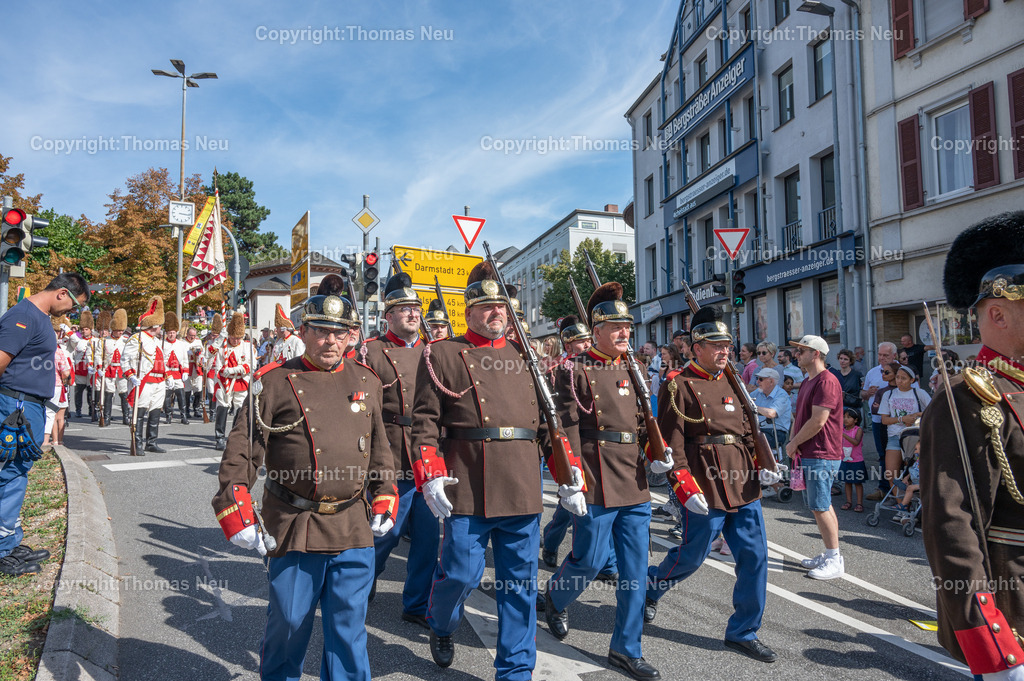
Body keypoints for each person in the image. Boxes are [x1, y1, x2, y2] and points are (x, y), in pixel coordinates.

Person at [212, 293, 398, 681]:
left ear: (352, 336)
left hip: (352, 523)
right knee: (289, 624)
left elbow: (379, 446)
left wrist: (384, 493)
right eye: (320, 331)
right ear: (303, 331)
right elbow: (243, 451)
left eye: (339, 332)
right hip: (296, 523)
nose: (330, 341)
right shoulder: (273, 382)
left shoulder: (367, 380)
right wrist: (236, 504)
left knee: (349, 631)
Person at [411, 262, 567, 680]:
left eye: (500, 306)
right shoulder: (441, 353)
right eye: (485, 306)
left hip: (520, 482)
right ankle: (441, 622)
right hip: (468, 481)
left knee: (519, 586)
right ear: (468, 310)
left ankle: (515, 670)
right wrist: (430, 472)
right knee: (460, 573)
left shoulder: (527, 356)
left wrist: (569, 476)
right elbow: (425, 421)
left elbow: (547, 423)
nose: (495, 312)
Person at [543, 281, 667, 681]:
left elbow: (642, 423)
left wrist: (658, 454)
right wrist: (572, 471)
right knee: (590, 559)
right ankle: (555, 598)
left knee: (634, 569)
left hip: (633, 477)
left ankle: (626, 648)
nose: (624, 332)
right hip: (596, 475)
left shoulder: (635, 367)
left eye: (627, 326)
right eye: (615, 326)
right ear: (595, 331)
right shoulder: (575, 371)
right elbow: (567, 425)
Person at [919, 211, 1024, 680]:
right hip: (1014, 607)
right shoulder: (967, 394)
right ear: (998, 313)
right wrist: (988, 638)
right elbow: (951, 524)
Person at [645, 306, 781, 664]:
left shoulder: (733, 381)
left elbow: (748, 431)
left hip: (742, 482)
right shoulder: (678, 385)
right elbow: (672, 443)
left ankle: (743, 631)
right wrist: (684, 486)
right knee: (692, 554)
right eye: (716, 345)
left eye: (727, 345)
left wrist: (763, 464)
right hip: (704, 481)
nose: (724, 351)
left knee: (755, 557)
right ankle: (652, 586)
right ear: (696, 348)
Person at [0, 273, 89, 576]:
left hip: (29, 405)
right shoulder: (23, 316)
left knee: (18, 472)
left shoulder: (37, 317)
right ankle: (1, 548)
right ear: (62, 293)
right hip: (17, 406)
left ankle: (9, 540)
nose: (71, 312)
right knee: (8, 472)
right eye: (74, 306)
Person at [362, 273, 437, 630]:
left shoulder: (435, 351)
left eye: (415, 308)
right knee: (386, 532)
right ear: (388, 317)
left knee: (427, 539)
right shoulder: (371, 350)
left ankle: (416, 604)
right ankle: (363, 578)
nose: (412, 314)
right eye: (403, 309)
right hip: (390, 451)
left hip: (427, 456)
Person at [541, 315, 617, 579]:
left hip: (601, 447)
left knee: (598, 509)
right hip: (575, 445)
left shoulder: (596, 365)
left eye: (587, 341)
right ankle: (551, 543)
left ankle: (607, 563)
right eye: (580, 343)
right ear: (568, 345)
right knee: (568, 509)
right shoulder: (560, 369)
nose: (586, 346)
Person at [786, 334, 845, 580]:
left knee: (820, 506)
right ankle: (831, 554)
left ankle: (834, 558)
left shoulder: (826, 381)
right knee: (819, 505)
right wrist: (792, 443)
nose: (796, 355)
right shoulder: (809, 381)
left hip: (821, 452)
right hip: (809, 451)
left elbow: (818, 421)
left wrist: (794, 442)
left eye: (801, 351)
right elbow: (799, 416)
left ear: (815, 354)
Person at [122, 297, 169, 455]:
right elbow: (125, 360)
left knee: (155, 411)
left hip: (159, 381)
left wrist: (167, 377)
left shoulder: (156, 341)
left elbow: (161, 361)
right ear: (155, 326)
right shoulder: (137, 339)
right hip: (145, 380)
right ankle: (137, 443)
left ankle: (151, 442)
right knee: (140, 412)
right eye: (160, 325)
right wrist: (130, 375)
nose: (161, 328)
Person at [877, 365, 930, 491]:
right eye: (897, 377)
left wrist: (916, 415)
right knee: (891, 473)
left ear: (912, 380)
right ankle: (901, 505)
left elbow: (933, 411)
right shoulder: (888, 394)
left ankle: (912, 503)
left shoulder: (919, 393)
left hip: (914, 437)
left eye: (904, 378)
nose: (899, 381)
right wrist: (902, 419)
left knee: (912, 473)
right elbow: (884, 420)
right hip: (894, 437)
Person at [860, 342, 899, 500]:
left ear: (894, 356)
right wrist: (867, 392)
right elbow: (862, 394)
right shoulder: (873, 372)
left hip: (897, 422)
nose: (882, 358)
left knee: (899, 456)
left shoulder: (902, 371)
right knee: (882, 455)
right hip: (877, 420)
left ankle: (899, 491)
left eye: (886, 355)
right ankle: (883, 489)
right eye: (880, 355)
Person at [212, 313, 254, 450]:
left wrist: (234, 370)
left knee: (240, 409)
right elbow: (210, 355)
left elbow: (250, 366)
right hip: (224, 382)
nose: (235, 340)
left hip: (240, 381)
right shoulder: (222, 346)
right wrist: (219, 339)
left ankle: (234, 436)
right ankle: (219, 437)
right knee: (222, 407)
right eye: (233, 337)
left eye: (238, 338)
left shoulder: (247, 346)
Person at [750, 367, 791, 452]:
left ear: (771, 381)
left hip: (776, 432)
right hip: (759, 431)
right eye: (757, 379)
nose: (757, 382)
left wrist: (753, 407)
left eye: (761, 379)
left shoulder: (782, 395)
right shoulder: (757, 392)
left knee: (752, 440)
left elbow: (771, 413)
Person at [161, 313, 190, 425]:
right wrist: (167, 375)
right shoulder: (162, 344)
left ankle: (183, 416)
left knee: (181, 395)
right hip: (167, 374)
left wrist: (186, 371)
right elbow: (162, 361)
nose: (171, 334)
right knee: (167, 396)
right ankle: (168, 416)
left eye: (173, 332)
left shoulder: (181, 344)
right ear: (167, 333)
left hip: (178, 373)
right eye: (170, 333)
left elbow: (184, 359)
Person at [838, 408, 866, 512]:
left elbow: (856, 442)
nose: (845, 419)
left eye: (849, 417)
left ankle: (859, 503)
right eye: (844, 417)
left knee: (858, 482)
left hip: (857, 460)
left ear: (855, 420)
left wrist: (842, 434)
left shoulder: (858, 430)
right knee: (847, 482)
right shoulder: (842, 429)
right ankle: (848, 501)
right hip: (844, 459)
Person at [70, 309, 95, 420]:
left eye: (86, 329)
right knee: (78, 392)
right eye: (83, 329)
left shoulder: (96, 340)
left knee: (91, 391)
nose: (84, 331)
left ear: (90, 330)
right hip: (80, 368)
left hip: (90, 368)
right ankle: (78, 410)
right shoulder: (78, 340)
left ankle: (91, 409)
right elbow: (74, 353)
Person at [110, 310, 130, 425]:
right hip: (110, 370)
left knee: (124, 393)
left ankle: (125, 416)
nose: (120, 332)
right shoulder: (106, 341)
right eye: (118, 330)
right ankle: (107, 416)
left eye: (121, 330)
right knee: (109, 393)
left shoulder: (125, 341)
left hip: (121, 370)